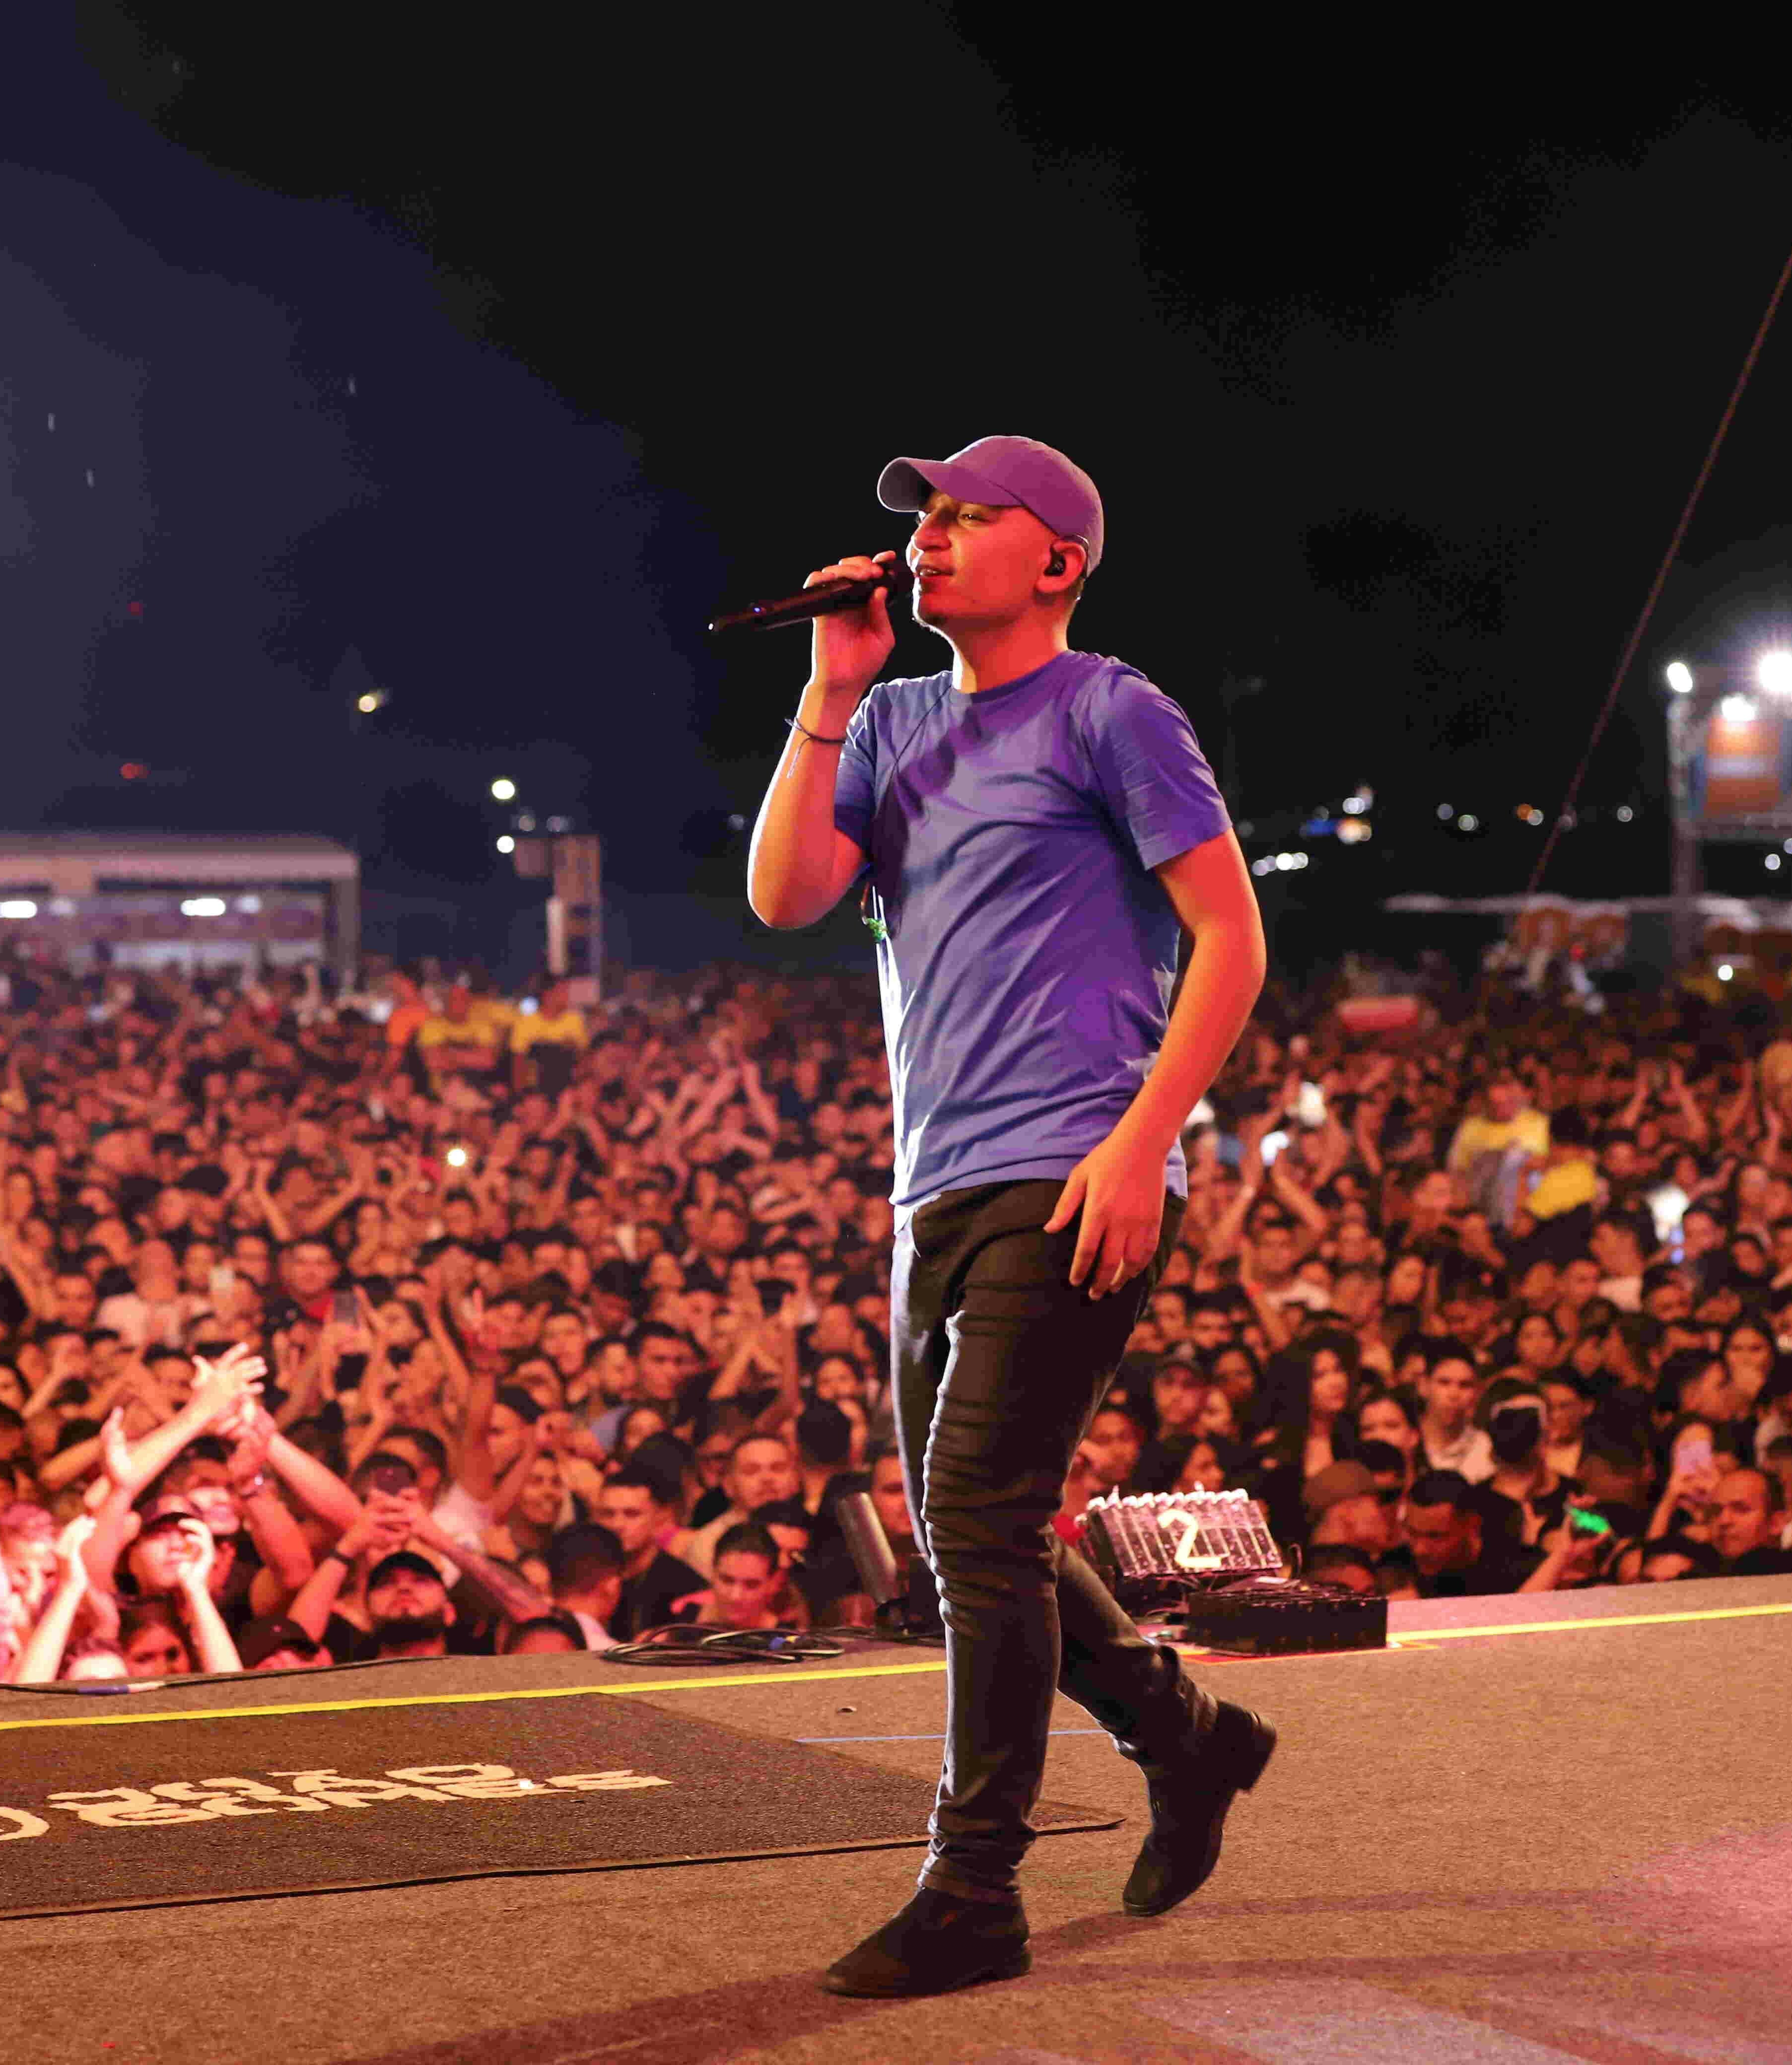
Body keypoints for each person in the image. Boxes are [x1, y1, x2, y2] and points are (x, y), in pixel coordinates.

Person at [747, 433, 1274, 1998]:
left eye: (975, 518)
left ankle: (975, 1888)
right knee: (976, 1527)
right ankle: (1189, 1741)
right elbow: (785, 896)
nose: (931, 539)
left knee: (977, 1517)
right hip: (939, 1183)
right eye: (925, 520)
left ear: (1059, 561)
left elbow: (1230, 938)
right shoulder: (894, 714)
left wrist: (1141, 1143)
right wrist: (832, 683)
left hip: (1074, 1164)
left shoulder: (1115, 710)